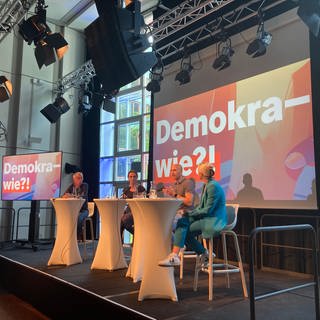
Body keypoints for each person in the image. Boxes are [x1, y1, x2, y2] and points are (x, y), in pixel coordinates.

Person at [158, 162, 227, 267]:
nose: (197, 174)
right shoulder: (208, 184)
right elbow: (201, 207)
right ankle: (202, 253)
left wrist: (190, 213)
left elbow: (207, 210)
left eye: (198, 172)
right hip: (206, 217)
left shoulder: (212, 186)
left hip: (213, 219)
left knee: (183, 225)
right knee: (183, 225)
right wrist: (190, 213)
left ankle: (176, 256)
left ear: (202, 174)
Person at [164, 164, 195, 232]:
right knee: (161, 221)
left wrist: (174, 194)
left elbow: (189, 202)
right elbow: (175, 200)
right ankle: (173, 242)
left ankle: (176, 242)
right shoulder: (174, 184)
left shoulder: (188, 183)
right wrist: (168, 195)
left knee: (166, 226)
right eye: (171, 170)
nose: (172, 172)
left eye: (174, 170)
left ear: (181, 172)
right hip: (176, 212)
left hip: (186, 213)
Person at [62, 171, 89, 240]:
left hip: (84, 210)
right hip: (73, 210)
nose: (80, 180)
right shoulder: (71, 186)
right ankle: (67, 236)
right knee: (65, 217)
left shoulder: (85, 185)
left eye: (81, 178)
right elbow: (64, 195)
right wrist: (67, 196)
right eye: (78, 178)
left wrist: (71, 196)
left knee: (79, 217)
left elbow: (82, 196)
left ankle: (77, 237)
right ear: (74, 179)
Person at [120, 170, 146, 238]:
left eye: (134, 176)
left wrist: (129, 199)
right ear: (128, 178)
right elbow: (123, 202)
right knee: (119, 220)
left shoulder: (141, 188)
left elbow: (143, 200)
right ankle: (119, 243)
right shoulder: (126, 189)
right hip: (128, 210)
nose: (132, 178)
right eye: (130, 177)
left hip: (138, 210)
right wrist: (123, 198)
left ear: (137, 178)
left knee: (123, 220)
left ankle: (138, 235)